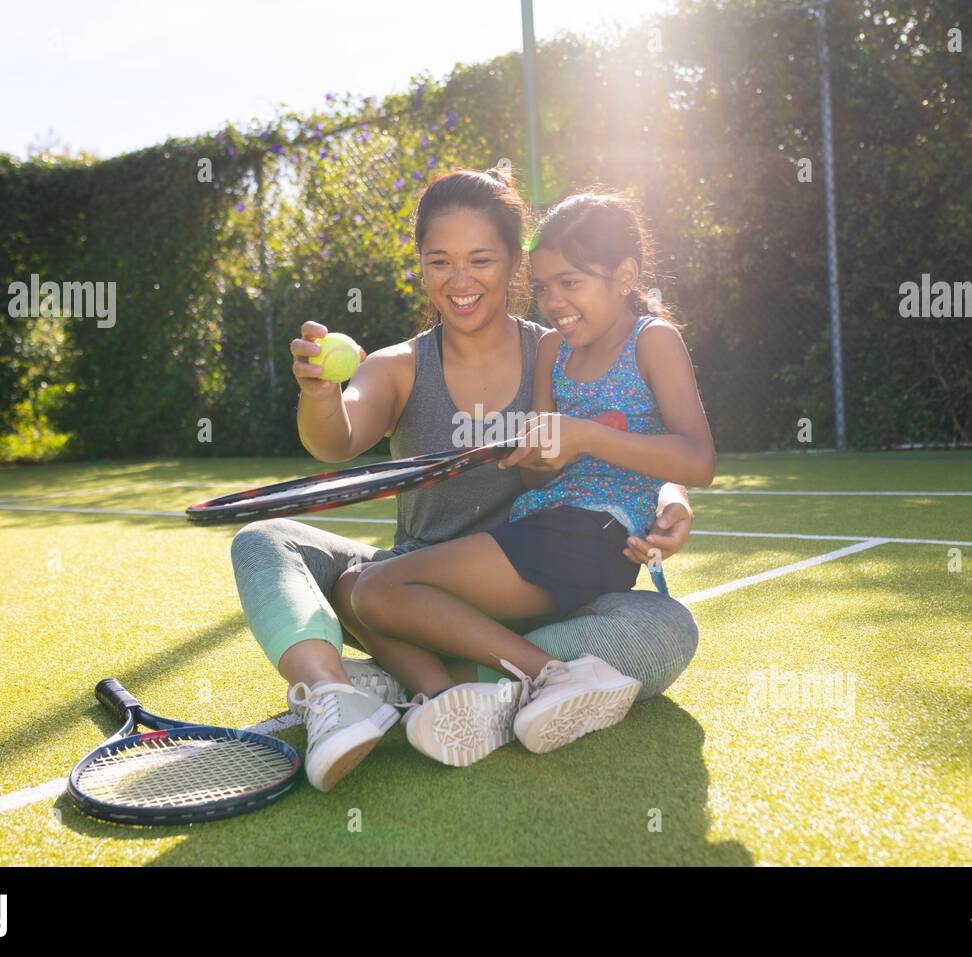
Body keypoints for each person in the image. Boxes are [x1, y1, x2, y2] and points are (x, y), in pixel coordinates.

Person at [230, 167, 700, 792]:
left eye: (481, 260)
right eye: (440, 261)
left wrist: (671, 497)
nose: (460, 280)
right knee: (266, 542)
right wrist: (319, 390)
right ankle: (334, 694)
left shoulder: (562, 346)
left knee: (668, 627)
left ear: (514, 265)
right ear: (421, 266)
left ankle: (421, 687)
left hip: (542, 594)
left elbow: (633, 435)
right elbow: (333, 440)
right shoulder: (399, 366)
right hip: (411, 592)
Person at [344, 190, 715, 769]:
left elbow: (697, 460)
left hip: (597, 536)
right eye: (543, 288)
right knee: (361, 589)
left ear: (624, 276)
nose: (554, 302)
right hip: (540, 529)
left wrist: (587, 437)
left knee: (377, 591)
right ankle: (448, 701)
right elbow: (540, 466)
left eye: (570, 283)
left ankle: (552, 677)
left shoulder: (652, 339)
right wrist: (531, 454)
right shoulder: (552, 350)